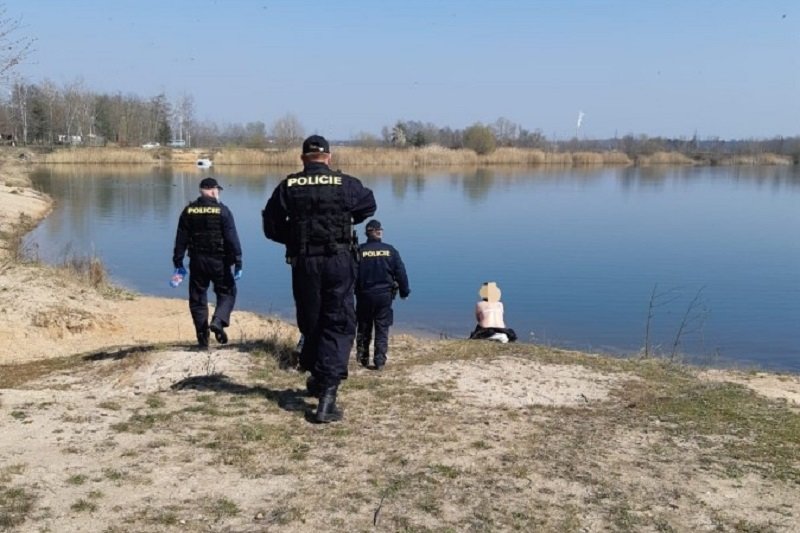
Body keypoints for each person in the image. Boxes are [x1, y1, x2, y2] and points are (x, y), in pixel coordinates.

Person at [262, 135, 376, 423]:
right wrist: (343, 219)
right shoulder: (345, 183)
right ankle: (327, 395)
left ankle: (316, 376)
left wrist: (299, 238)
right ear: (329, 157)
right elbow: (368, 206)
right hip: (338, 259)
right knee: (337, 322)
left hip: (304, 262)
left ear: (303, 159)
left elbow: (271, 225)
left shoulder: (288, 186)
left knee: (311, 319)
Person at [173, 177, 243, 348]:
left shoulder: (188, 211)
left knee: (197, 298)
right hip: (219, 261)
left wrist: (178, 261)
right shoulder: (223, 211)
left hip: (197, 261)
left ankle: (202, 337)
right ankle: (218, 321)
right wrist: (238, 260)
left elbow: (181, 238)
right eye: (217, 190)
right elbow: (231, 238)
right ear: (213, 190)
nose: (217, 193)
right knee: (227, 292)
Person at [355, 219, 410, 370]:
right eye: (379, 229)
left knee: (364, 326)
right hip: (384, 296)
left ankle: (362, 358)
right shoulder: (390, 250)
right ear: (376, 232)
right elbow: (401, 273)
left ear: (367, 233)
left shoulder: (359, 251)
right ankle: (379, 361)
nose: (381, 231)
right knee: (382, 327)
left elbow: (351, 274)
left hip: (364, 295)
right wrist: (404, 292)